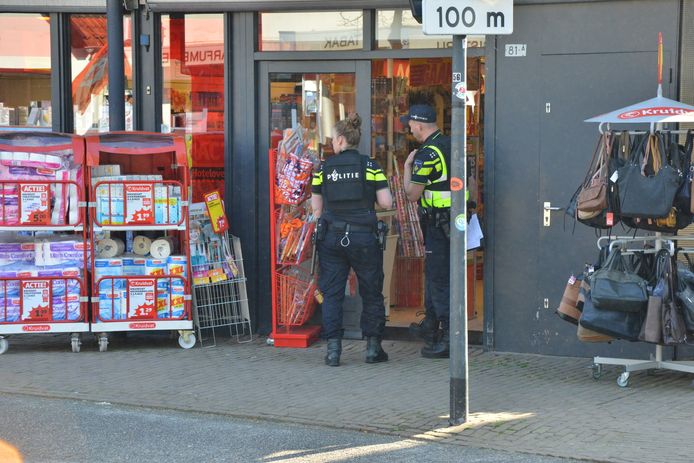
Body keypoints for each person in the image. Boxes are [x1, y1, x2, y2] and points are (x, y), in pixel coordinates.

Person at [311, 113, 393, 367]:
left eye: (333, 139)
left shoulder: (323, 169)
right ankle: (372, 348)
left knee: (332, 293)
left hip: (332, 238)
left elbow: (316, 211)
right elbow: (386, 203)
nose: (332, 143)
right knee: (371, 291)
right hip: (363, 237)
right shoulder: (371, 167)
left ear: (341, 140)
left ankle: (333, 351)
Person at [402, 104, 452, 359]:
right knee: (436, 275)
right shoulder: (451, 145)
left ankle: (448, 337)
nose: (409, 129)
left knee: (438, 280)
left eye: (410, 125)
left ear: (419, 125)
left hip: (436, 224)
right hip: (454, 223)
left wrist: (407, 167)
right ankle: (431, 325)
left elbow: (412, 194)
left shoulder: (426, 154)